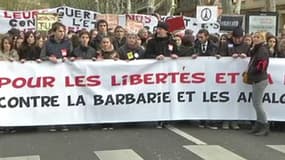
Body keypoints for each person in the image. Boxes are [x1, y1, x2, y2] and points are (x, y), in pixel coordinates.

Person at [247, 31, 270, 136]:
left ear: (262, 39)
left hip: (259, 79)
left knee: (257, 104)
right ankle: (259, 124)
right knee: (256, 103)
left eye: (258, 37)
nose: (255, 39)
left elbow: (261, 66)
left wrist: (251, 71)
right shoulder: (257, 49)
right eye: (254, 37)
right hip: (257, 79)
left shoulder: (262, 50)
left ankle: (264, 125)